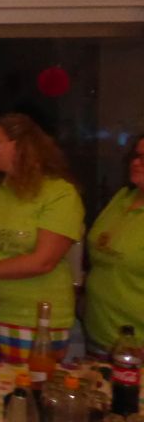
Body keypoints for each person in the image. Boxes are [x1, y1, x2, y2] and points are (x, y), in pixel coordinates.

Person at [0, 112, 84, 363]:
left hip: (37, 321)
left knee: (31, 387)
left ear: (20, 146)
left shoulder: (59, 194)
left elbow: (43, 261)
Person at [84, 134, 144, 353]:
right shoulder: (122, 198)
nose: (136, 162)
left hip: (136, 347)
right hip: (99, 336)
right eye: (136, 156)